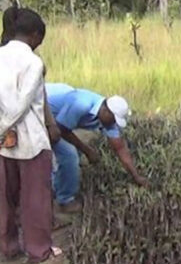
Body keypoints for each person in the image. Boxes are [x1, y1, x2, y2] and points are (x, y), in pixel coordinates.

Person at [0, 6, 57, 264]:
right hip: (31, 141)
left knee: (4, 199)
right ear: (35, 35)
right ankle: (38, 251)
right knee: (35, 199)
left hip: (3, 143)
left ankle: (9, 247)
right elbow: (20, 105)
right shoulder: (33, 62)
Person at [45, 83, 148, 213]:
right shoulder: (81, 104)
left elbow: (120, 148)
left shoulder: (108, 119)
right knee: (70, 155)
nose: (113, 123)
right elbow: (61, 130)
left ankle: (55, 186)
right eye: (113, 119)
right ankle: (65, 201)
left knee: (73, 151)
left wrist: (136, 176)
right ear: (105, 110)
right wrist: (87, 151)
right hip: (42, 113)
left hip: (60, 116)